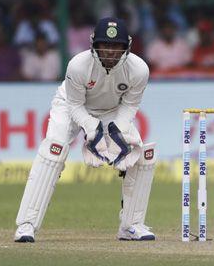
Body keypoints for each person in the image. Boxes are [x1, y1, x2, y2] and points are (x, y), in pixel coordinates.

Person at [14, 17, 156, 242]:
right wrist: (94, 131)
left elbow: (130, 105)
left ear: (126, 47)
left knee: (141, 155)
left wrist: (116, 132)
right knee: (54, 149)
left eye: (116, 46)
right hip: (71, 104)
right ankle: (27, 225)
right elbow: (75, 105)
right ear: (94, 44)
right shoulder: (78, 65)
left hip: (112, 109)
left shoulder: (139, 70)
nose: (110, 52)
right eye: (105, 45)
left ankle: (131, 225)